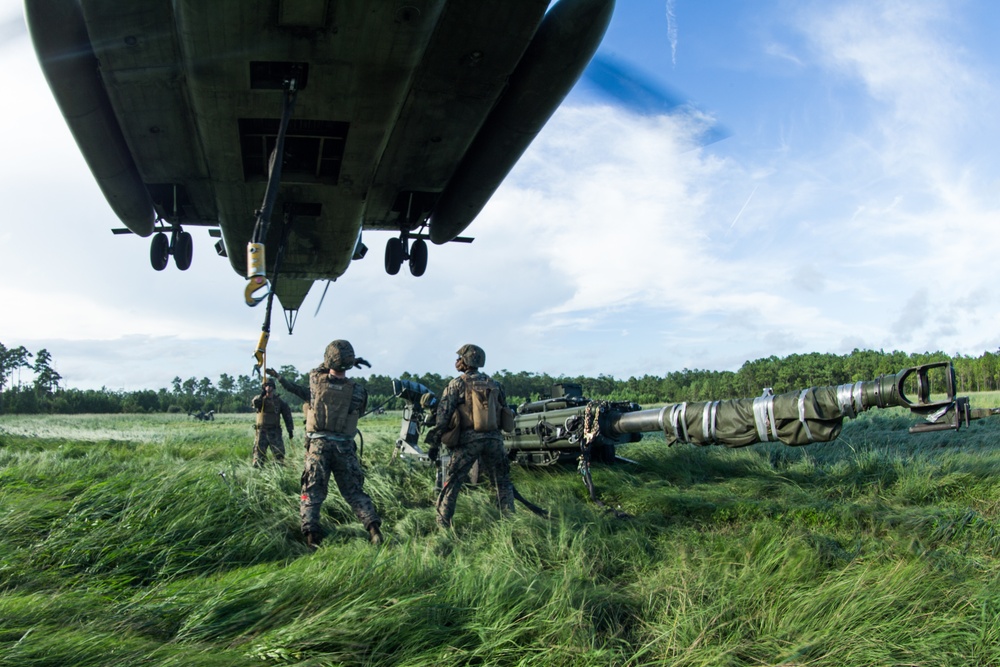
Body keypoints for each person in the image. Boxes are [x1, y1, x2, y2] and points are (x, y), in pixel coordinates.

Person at [267, 339, 383, 547]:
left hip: (318, 447)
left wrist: (342, 360)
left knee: (312, 492)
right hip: (345, 447)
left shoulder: (315, 380)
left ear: (329, 359)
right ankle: (374, 530)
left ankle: (312, 538)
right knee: (354, 492)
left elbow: (323, 367)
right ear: (348, 363)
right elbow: (359, 411)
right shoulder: (358, 391)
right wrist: (350, 360)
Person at [424, 344, 515, 529]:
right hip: (495, 440)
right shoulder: (496, 384)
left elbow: (443, 416)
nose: (456, 361)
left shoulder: (456, 384)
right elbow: (505, 410)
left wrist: (434, 443)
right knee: (502, 482)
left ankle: (443, 525)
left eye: (459, 358)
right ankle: (510, 522)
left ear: (466, 361)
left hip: (469, 441)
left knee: (452, 482)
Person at [250, 379, 294, 467]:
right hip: (261, 431)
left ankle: (278, 473)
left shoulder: (279, 401)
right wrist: (261, 395)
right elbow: (254, 403)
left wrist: (290, 429)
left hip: (275, 431)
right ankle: (258, 473)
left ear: (273, 387)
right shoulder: (260, 400)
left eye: (270, 385)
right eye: (266, 385)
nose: (268, 387)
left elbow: (287, 415)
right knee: (258, 454)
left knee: (279, 454)